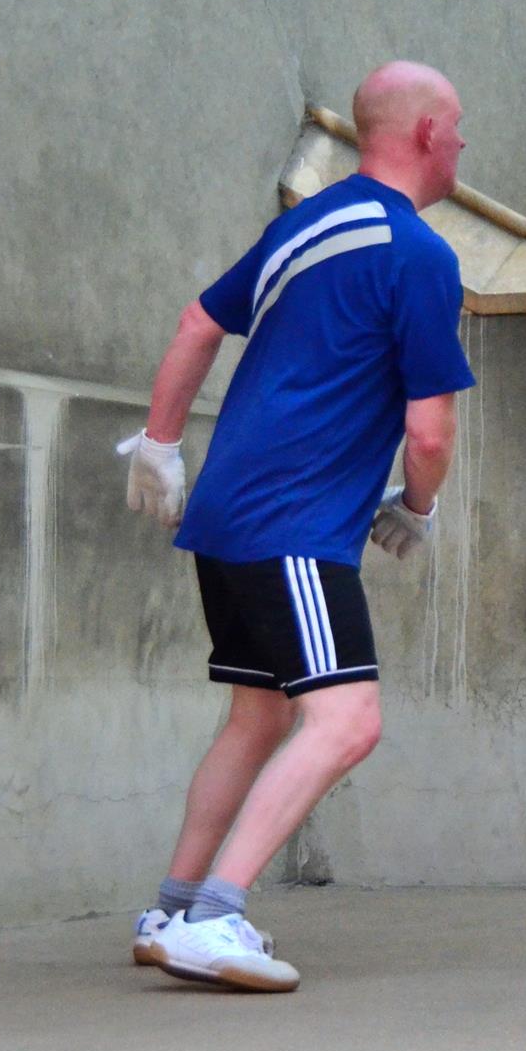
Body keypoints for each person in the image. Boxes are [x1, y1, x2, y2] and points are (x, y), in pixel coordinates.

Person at [117, 61, 475, 992]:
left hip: (227, 518)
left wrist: (159, 446)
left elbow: (200, 322)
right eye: (459, 126)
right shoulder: (420, 254)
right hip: (293, 526)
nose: (465, 143)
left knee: (258, 715)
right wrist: (418, 507)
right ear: (429, 134)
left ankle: (171, 908)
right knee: (348, 719)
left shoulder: (302, 224)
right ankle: (216, 915)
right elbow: (429, 430)